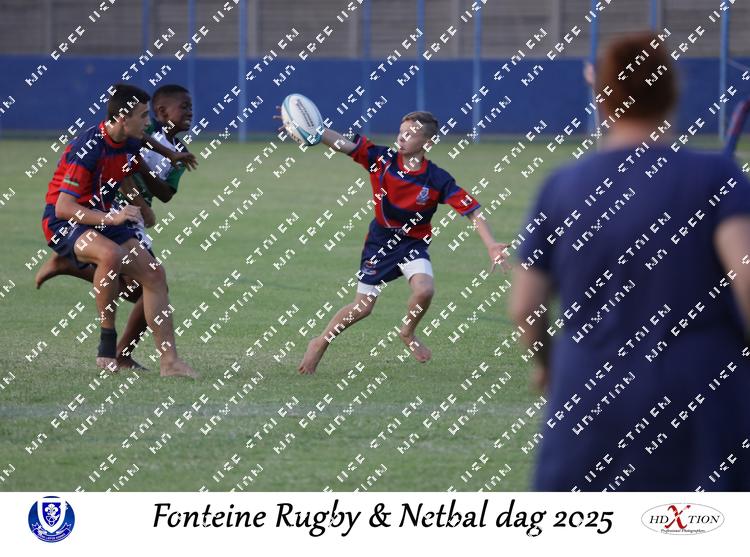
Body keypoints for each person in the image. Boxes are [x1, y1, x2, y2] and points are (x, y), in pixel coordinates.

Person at [510, 32, 750, 490]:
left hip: (588, 390)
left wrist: (548, 364)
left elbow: (525, 307)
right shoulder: (717, 176)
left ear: (601, 98)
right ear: (673, 93)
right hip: (700, 389)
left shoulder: (561, 186)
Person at [292, 110, 510, 374]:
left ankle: (407, 332)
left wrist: (491, 244)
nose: (402, 137)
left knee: (425, 290)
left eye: (411, 134)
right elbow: (344, 145)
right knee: (362, 307)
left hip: (412, 244)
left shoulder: (437, 178)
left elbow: (471, 210)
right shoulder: (382, 160)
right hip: (380, 243)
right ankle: (319, 342)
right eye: (401, 131)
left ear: (428, 143)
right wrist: (314, 130)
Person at [40, 83, 197, 378]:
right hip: (64, 223)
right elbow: (63, 207)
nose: (148, 122)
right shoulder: (89, 148)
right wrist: (112, 218)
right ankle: (107, 346)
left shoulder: (128, 139)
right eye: (143, 116)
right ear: (123, 119)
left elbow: (135, 154)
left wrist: (170, 156)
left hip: (102, 215)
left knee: (154, 275)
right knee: (110, 255)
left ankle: (170, 362)